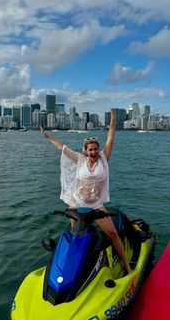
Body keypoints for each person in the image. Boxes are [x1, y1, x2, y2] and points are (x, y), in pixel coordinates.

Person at [40, 110, 132, 273]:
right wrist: (47, 136)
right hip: (77, 203)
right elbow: (61, 147)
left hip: (95, 204)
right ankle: (71, 269)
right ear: (85, 150)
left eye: (96, 149)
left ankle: (127, 265)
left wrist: (112, 121)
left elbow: (110, 138)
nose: (94, 152)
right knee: (76, 236)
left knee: (113, 234)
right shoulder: (79, 159)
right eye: (90, 150)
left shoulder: (104, 158)